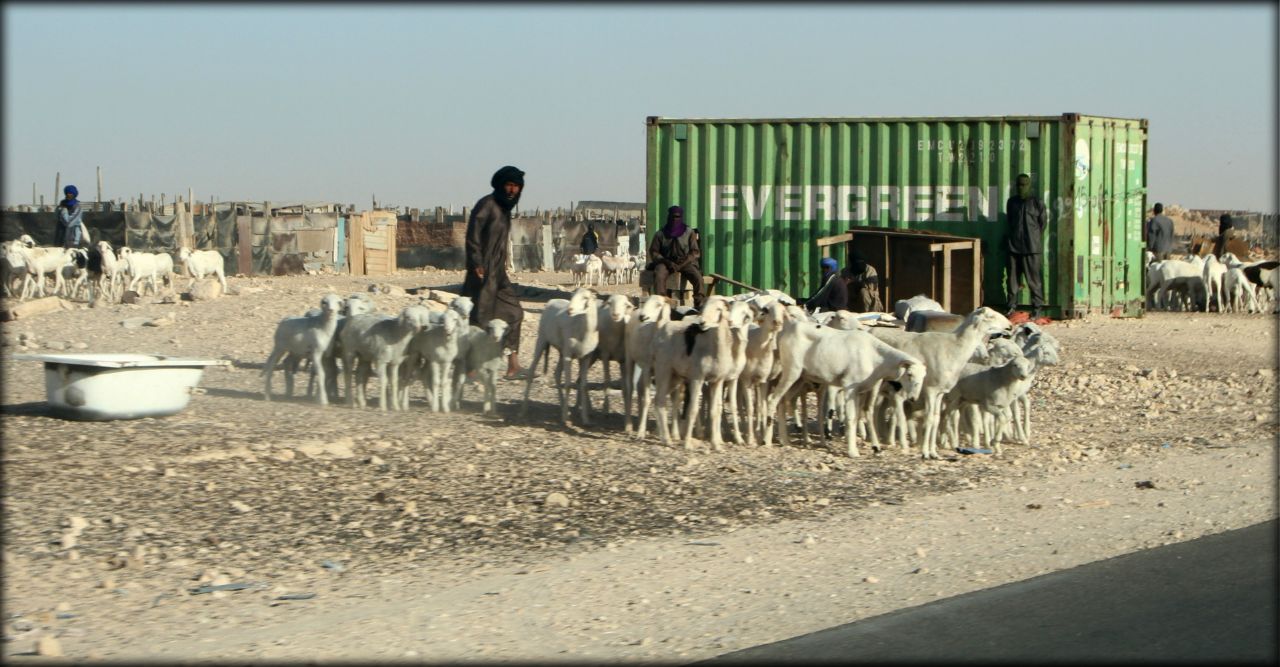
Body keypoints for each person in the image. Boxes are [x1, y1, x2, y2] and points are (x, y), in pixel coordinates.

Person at [462, 165, 527, 380]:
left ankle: (513, 365)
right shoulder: (487, 205)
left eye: (516, 187)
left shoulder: (505, 209)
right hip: (482, 272)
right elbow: (473, 236)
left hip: (499, 273)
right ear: (500, 186)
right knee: (479, 318)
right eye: (509, 185)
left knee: (515, 313)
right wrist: (477, 262)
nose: (512, 190)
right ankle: (471, 368)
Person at [1005, 173, 1047, 317]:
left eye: (1024, 184)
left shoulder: (1037, 202)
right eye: (1018, 184)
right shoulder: (1012, 202)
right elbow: (1010, 222)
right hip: (1013, 247)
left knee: (1034, 281)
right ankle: (1011, 307)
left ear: (1029, 185)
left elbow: (1042, 224)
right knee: (1012, 280)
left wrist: (1032, 238)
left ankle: (1037, 308)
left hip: (1031, 248)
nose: (1021, 187)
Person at [646, 205, 705, 308]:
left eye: (677, 217)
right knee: (659, 274)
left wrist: (682, 264)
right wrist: (666, 262)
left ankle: (699, 304)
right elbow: (654, 252)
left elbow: (695, 252)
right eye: (673, 216)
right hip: (666, 262)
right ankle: (662, 303)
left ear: (681, 217)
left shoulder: (689, 232)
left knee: (698, 277)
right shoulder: (660, 234)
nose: (675, 219)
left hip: (685, 262)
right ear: (668, 217)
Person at [54, 185, 86, 249]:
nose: (68, 195)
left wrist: (64, 211)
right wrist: (60, 209)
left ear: (74, 194)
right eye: (67, 193)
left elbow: (69, 223)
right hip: (60, 239)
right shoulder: (62, 205)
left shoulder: (78, 207)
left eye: (70, 193)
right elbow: (56, 217)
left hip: (73, 241)